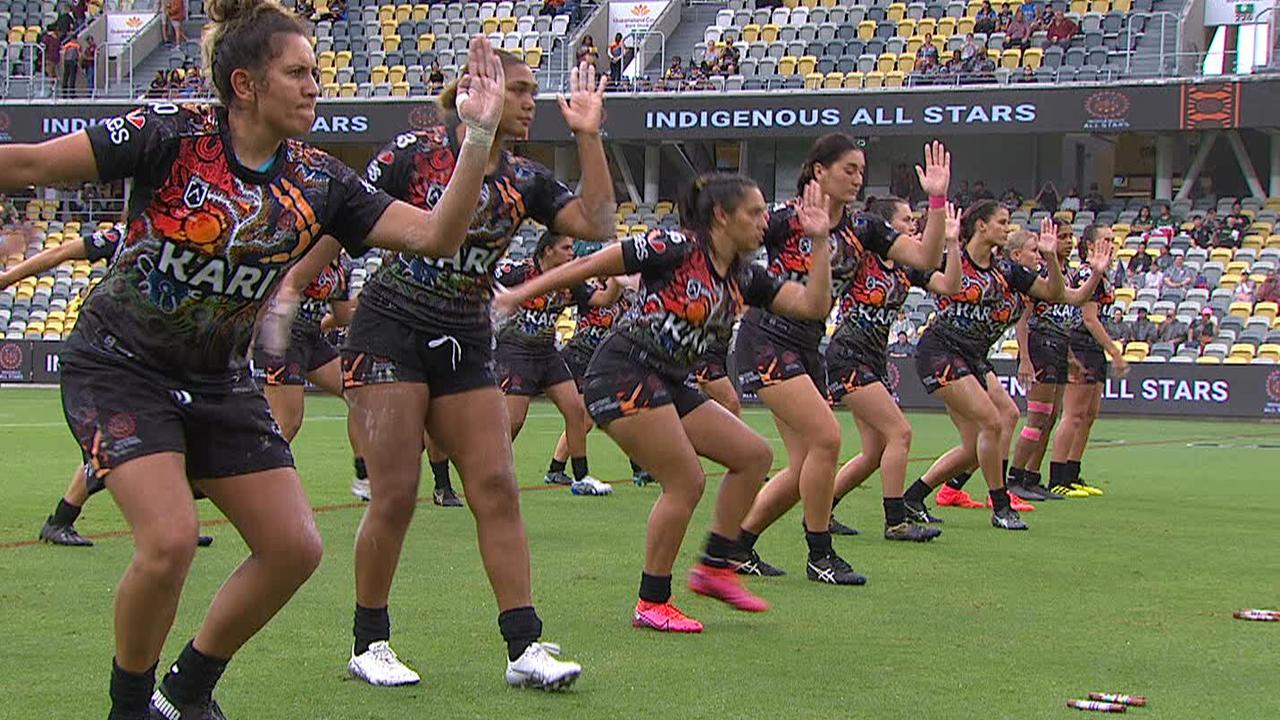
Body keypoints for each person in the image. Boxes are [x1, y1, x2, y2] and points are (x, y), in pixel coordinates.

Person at [0, 3, 512, 715]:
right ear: (245, 84)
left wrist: (478, 135)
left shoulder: (321, 179)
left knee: (295, 549)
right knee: (172, 540)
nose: (314, 87)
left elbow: (435, 236)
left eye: (317, 73)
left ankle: (187, 692)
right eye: (297, 73)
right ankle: (129, 705)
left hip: (216, 379)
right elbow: (25, 163)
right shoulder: (169, 136)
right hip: (120, 365)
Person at [342, 55, 612, 688]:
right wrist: (294, 287)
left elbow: (597, 224)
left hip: (464, 332)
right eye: (519, 90)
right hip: (391, 328)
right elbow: (348, 217)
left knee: (496, 485)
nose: (529, 103)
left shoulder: (526, 177)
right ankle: (368, 642)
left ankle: (524, 647)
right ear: (476, 92)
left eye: (532, 93)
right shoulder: (413, 153)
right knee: (396, 494)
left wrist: (590, 136)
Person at [494, 174, 836, 631]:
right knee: (686, 481)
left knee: (753, 455)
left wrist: (819, 243)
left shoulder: (743, 276)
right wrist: (521, 293)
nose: (764, 223)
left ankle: (715, 567)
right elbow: (593, 264)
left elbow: (813, 305)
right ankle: (651, 601)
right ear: (721, 215)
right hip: (623, 371)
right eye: (753, 213)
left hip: (668, 378)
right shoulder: (673, 247)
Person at [735, 140, 951, 578]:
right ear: (819, 171)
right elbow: (725, 249)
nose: (857, 179)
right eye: (848, 170)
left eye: (861, 171)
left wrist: (937, 199)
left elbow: (927, 259)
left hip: (809, 345)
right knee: (827, 439)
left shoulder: (864, 229)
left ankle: (736, 546)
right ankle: (820, 555)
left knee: (802, 469)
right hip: (767, 339)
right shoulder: (782, 221)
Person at [1, 224, 216, 548]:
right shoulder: (126, 234)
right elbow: (61, 251)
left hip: (157, 356)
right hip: (109, 356)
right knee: (114, 447)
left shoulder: (197, 242)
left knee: (179, 437)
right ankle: (60, 520)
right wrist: (5, 279)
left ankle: (176, 520)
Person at [903, 208, 1067, 531]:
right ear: (981, 225)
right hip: (941, 352)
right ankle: (1001, 505)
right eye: (1002, 222)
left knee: (978, 441)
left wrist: (1051, 258)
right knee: (991, 422)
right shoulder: (954, 259)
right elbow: (918, 270)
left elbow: (1055, 293)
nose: (1007, 228)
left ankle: (913, 496)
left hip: (973, 358)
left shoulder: (1007, 271)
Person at [821, 195, 960, 543]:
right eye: (906, 219)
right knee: (900, 433)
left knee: (875, 451)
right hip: (849, 354)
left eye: (914, 219)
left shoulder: (905, 267)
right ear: (884, 226)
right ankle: (896, 521)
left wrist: (954, 244)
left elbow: (951, 287)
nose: (913, 225)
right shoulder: (861, 257)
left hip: (872, 358)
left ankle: (822, 511)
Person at [493, 232, 619, 496]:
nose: (571, 252)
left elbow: (603, 300)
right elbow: (485, 279)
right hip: (515, 351)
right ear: (548, 250)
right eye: (566, 248)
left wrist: (619, 281)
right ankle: (494, 474)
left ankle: (581, 477)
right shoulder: (520, 271)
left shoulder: (569, 279)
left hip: (547, 353)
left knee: (575, 411)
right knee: (514, 421)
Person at [1003, 222, 1113, 503]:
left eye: (1069, 237)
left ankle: (1032, 476)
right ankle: (1014, 478)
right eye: (1061, 237)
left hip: (1058, 347)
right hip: (1040, 346)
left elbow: (1066, 317)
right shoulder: (1040, 275)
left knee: (1050, 418)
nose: (1066, 241)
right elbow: (1024, 320)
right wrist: (1025, 359)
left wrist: (1071, 357)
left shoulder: (1063, 274)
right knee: (1038, 416)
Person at [1049, 228, 1127, 496]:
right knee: (1073, 413)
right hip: (1079, 344)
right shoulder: (1086, 273)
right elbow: (1089, 318)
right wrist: (1114, 351)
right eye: (1105, 239)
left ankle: (1073, 473)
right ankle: (1057, 477)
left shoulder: (1103, 275)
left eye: (1112, 240)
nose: (1111, 244)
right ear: (1091, 245)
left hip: (1092, 348)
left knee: (1088, 414)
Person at [550, 273, 640, 485]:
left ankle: (639, 467)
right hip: (580, 357)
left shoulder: (626, 301)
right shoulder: (592, 293)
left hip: (606, 361)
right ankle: (556, 467)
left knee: (624, 411)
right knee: (585, 420)